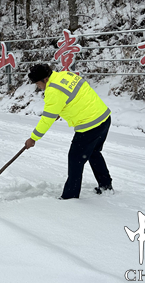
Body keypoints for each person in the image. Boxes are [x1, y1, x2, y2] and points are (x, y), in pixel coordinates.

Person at [24, 64, 113, 199]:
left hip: (89, 125)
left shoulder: (53, 91)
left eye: (38, 83)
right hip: (104, 117)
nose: (38, 87)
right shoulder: (65, 75)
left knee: (76, 159)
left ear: (46, 79)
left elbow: (46, 120)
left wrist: (33, 138)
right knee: (93, 152)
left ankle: (70, 196)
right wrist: (59, 110)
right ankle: (106, 185)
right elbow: (76, 96)